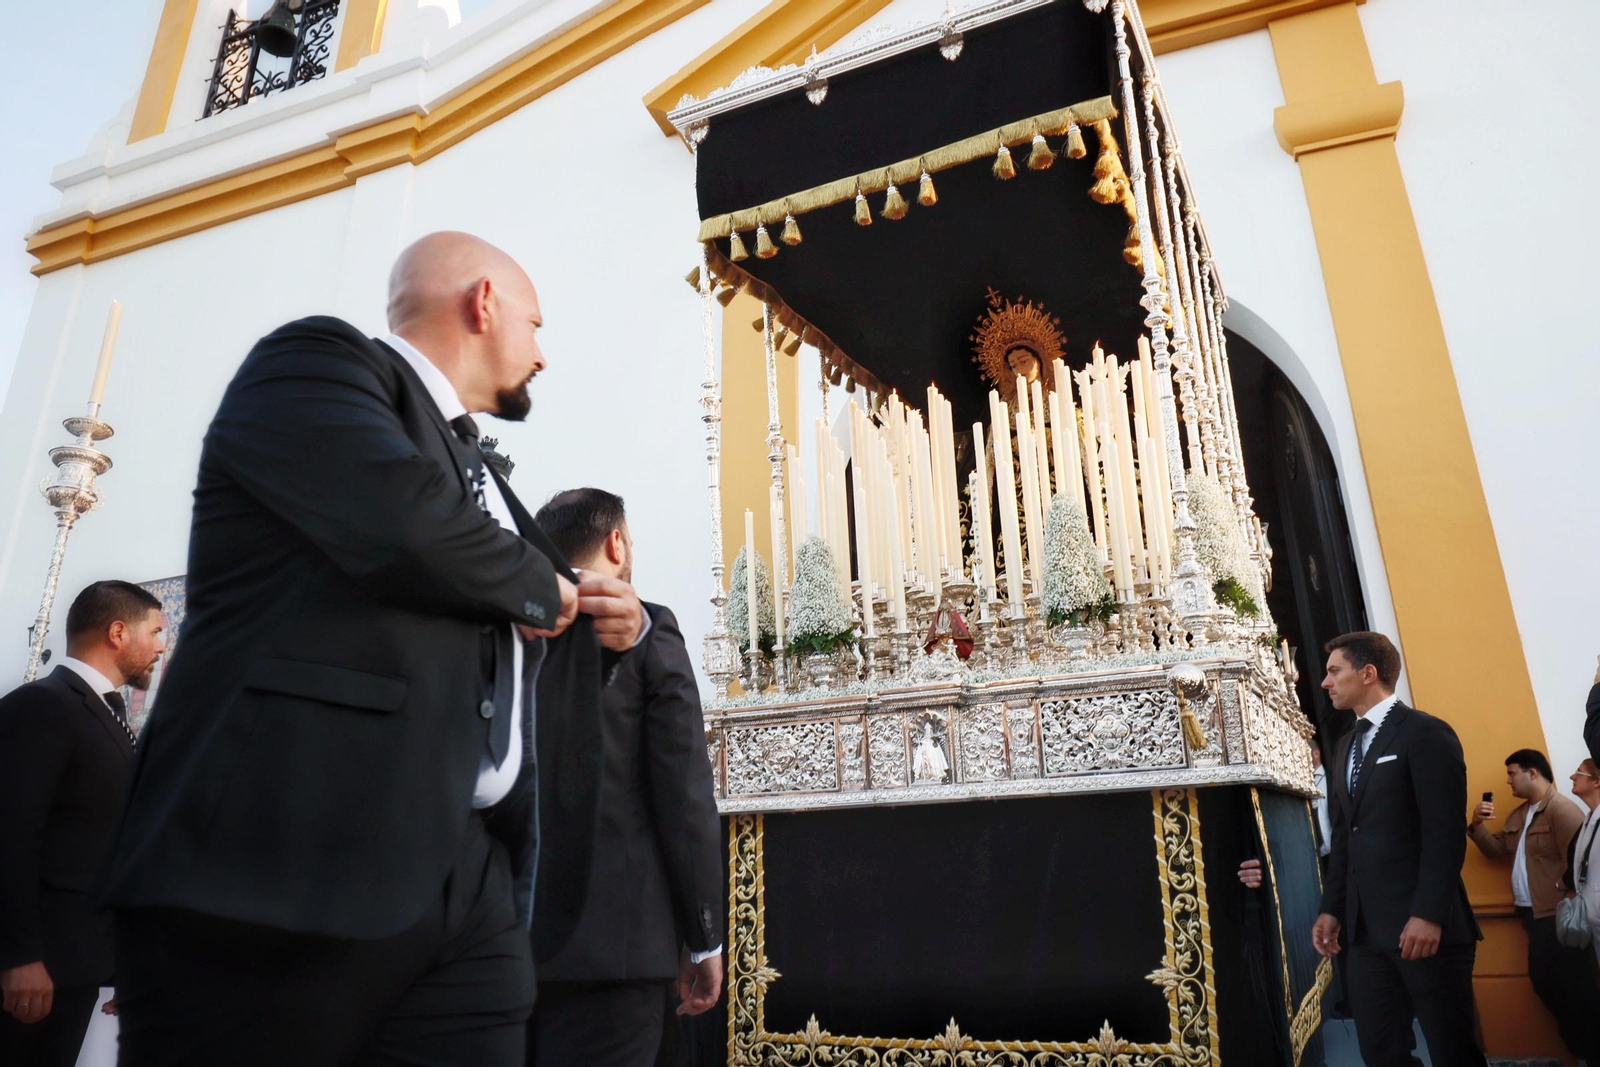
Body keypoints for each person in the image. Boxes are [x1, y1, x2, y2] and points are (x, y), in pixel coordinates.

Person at [100, 232, 645, 1066]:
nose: (543, 354)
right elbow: (397, 519)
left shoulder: (490, 484)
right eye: (536, 325)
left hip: (468, 881)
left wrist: (604, 633)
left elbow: (499, 645)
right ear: (483, 301)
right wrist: (546, 588)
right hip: (281, 867)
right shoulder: (315, 363)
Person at [527, 488, 722, 1067]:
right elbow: (683, 792)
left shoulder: (512, 633)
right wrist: (703, 935)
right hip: (621, 949)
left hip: (514, 950)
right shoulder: (650, 632)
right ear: (616, 543)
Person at [0, 581, 164, 1066]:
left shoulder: (106, 715)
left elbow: (101, 846)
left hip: (74, 967)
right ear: (118, 632)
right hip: (33, 972)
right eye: (155, 631)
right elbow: (10, 835)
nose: (161, 646)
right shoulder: (43, 705)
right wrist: (18, 957)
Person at [1309, 631, 1486, 1067]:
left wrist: (1428, 914)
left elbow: (1444, 833)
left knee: (1454, 1052)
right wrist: (1332, 908)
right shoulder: (1345, 746)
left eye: (1335, 671)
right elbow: (1346, 834)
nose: (1325, 683)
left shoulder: (1425, 733)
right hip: (1365, 937)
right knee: (1382, 1053)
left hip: (1426, 932)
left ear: (1368, 673)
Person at [1469, 750, 1600, 1062]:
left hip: (1558, 915)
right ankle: (1585, 1051)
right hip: (1533, 915)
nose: (1508, 780)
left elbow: (1581, 857)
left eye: (1513, 773)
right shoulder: (1520, 814)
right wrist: (1476, 825)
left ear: (1532, 773)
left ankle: (1590, 1052)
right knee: (1552, 985)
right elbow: (1498, 849)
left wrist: (1564, 890)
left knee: (1571, 988)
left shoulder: (1561, 811)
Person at [1564, 759, 1600, 962]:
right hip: (1592, 922)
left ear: (1597, 781)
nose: (1572, 776)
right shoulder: (1589, 819)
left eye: (1579, 772)